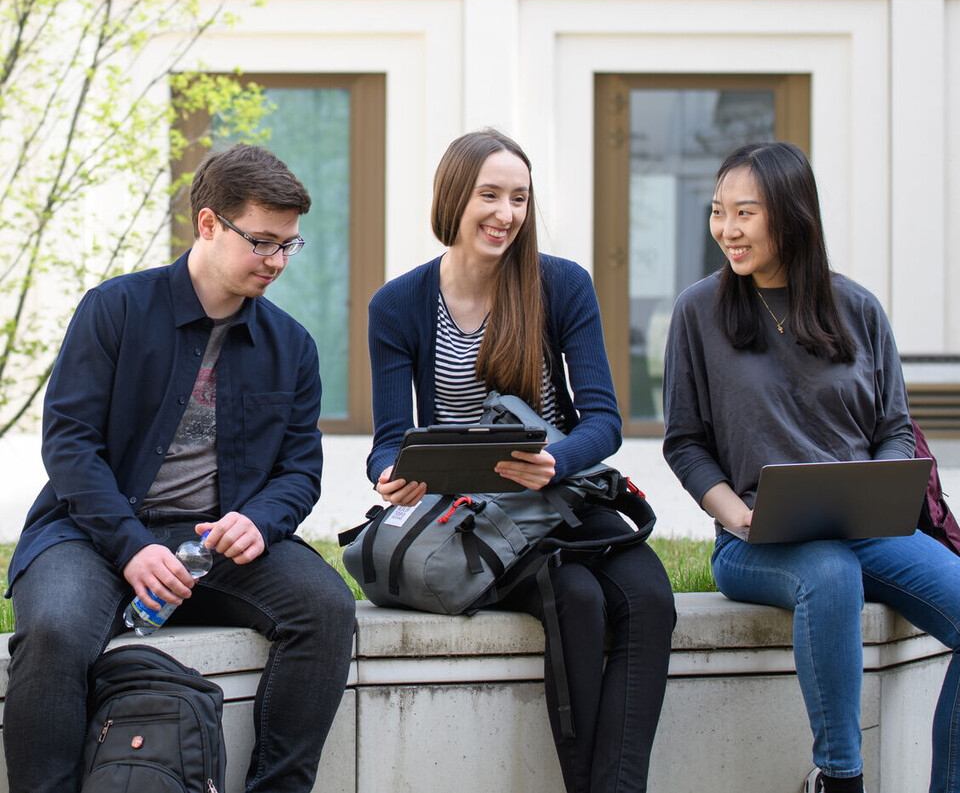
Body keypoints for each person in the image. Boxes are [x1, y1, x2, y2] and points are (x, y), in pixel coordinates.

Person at [4, 143, 357, 793]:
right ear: (208, 224)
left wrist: (262, 518)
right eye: (263, 242)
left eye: (290, 245)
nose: (278, 260)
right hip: (94, 532)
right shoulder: (114, 310)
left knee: (327, 606)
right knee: (53, 630)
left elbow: (300, 468)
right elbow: (70, 444)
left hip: (217, 544)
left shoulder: (293, 346)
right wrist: (130, 545)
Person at [366, 128, 676, 793]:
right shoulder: (398, 305)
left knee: (650, 596)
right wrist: (389, 476)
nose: (506, 213)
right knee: (579, 601)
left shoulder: (560, 284)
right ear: (454, 197)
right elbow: (389, 437)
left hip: (560, 496)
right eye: (490, 195)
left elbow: (604, 420)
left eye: (519, 198)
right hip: (474, 517)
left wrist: (558, 460)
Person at [662, 140, 960, 793]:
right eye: (718, 212)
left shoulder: (858, 309)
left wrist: (880, 487)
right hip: (755, 540)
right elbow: (684, 441)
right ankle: (839, 775)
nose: (726, 230)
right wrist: (733, 512)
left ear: (792, 214)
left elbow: (894, 426)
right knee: (828, 572)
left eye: (745, 212)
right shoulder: (697, 312)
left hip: (867, 529)